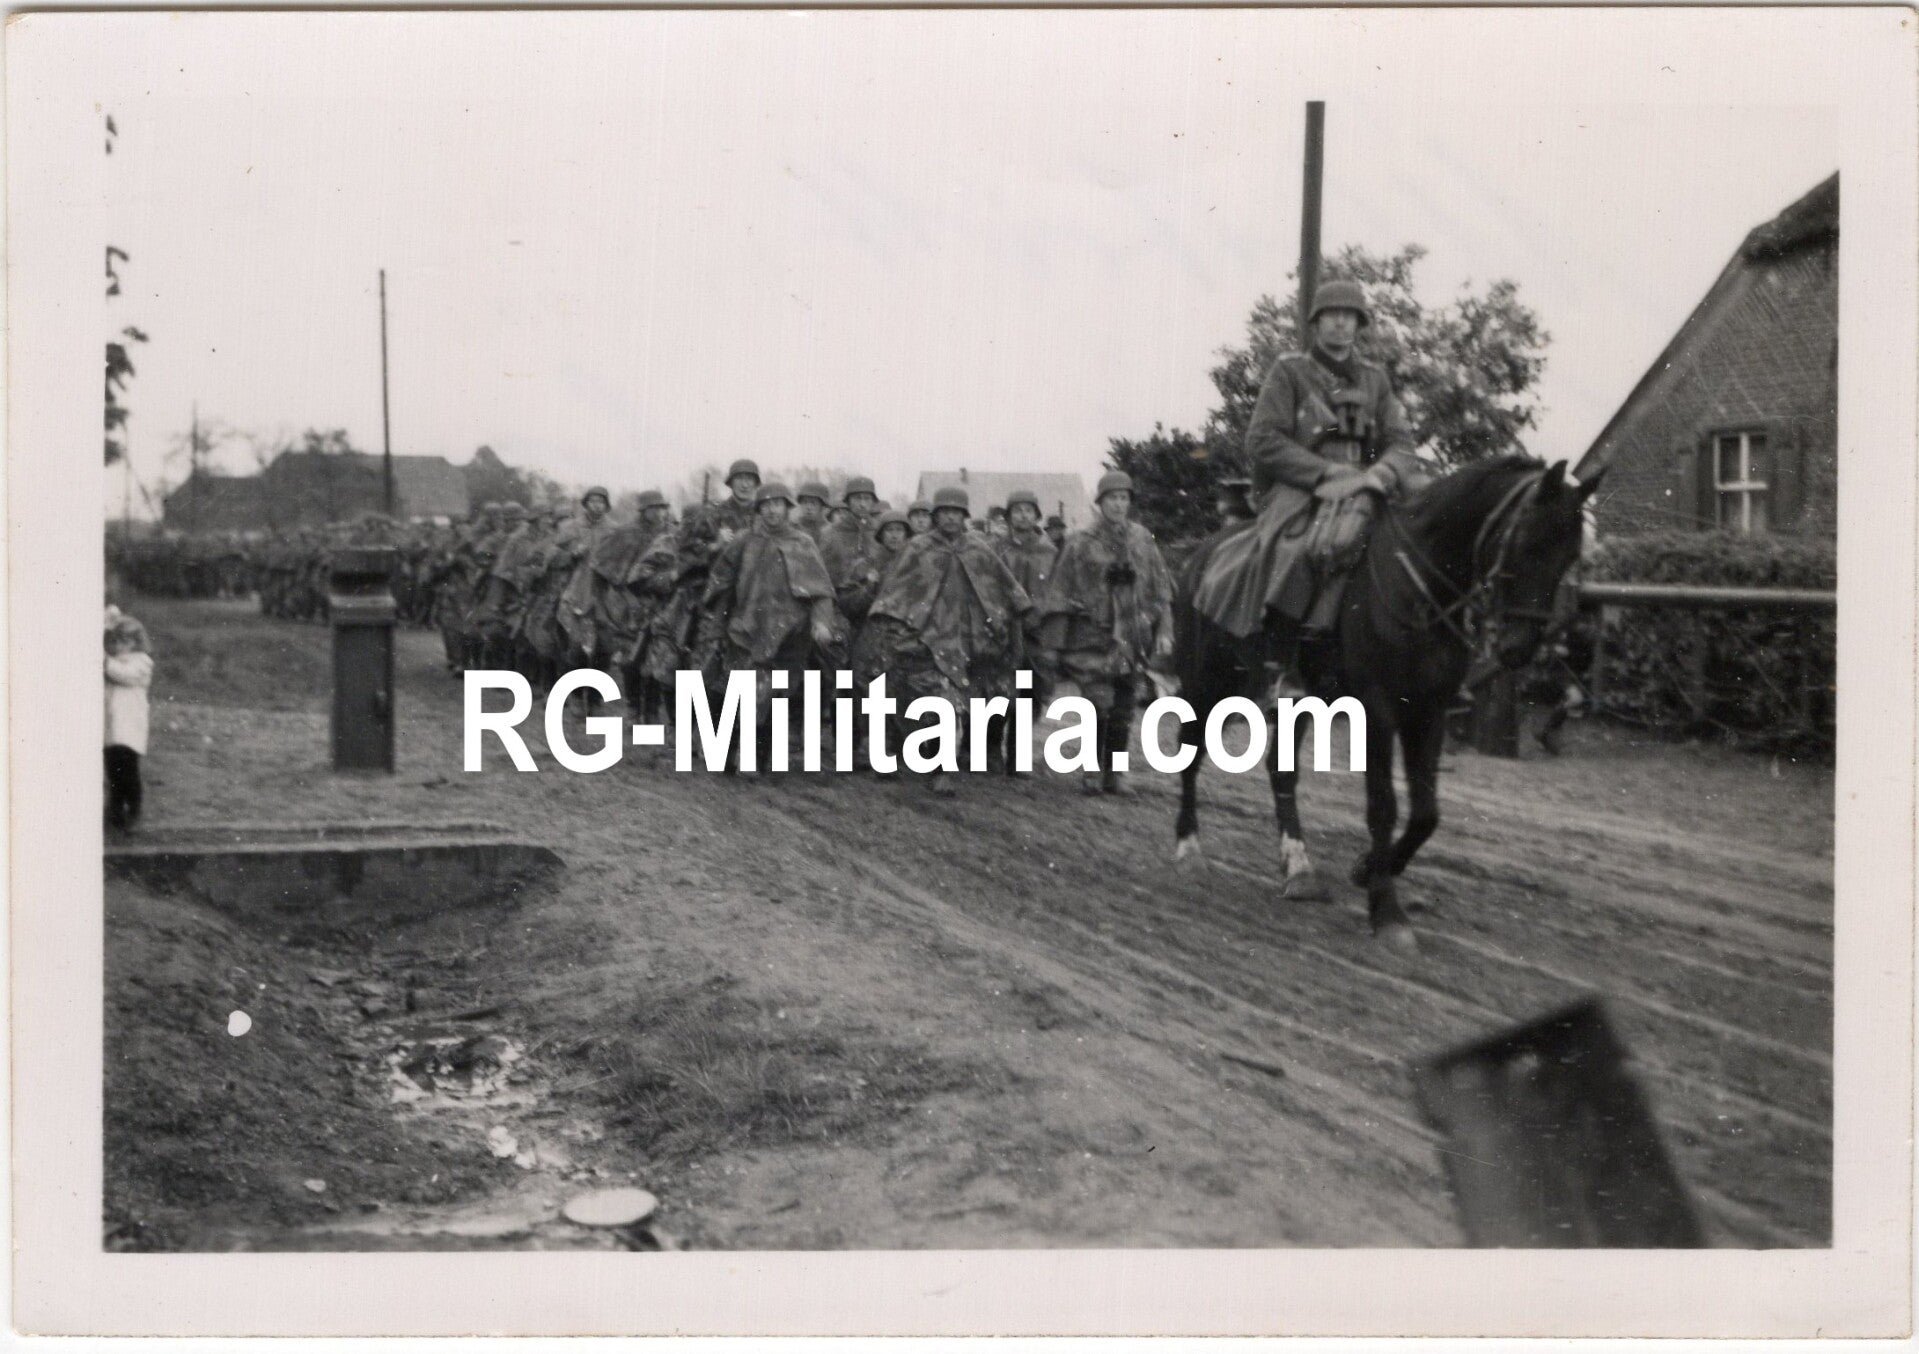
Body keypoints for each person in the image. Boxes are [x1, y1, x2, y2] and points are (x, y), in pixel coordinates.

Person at [1190, 279, 1427, 694]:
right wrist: (1326, 474)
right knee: (1298, 548)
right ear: (1316, 324)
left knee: (1416, 548)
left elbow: (1400, 442)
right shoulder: (1289, 371)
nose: (1340, 324)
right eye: (1331, 316)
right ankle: (1281, 660)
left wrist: (1382, 474)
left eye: (1348, 316)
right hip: (1301, 489)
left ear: (1359, 324)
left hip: (1368, 488)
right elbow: (1263, 440)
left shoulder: (1376, 381)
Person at [856, 486, 1031, 796]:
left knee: (953, 705)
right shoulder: (918, 549)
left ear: (964, 516)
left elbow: (1007, 586)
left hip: (969, 641)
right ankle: (935, 765)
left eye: (957, 512)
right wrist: (897, 628)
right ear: (936, 515)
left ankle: (941, 766)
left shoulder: (978, 549)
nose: (951, 517)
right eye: (945, 512)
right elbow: (895, 591)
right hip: (926, 639)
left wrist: (1016, 614)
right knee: (934, 703)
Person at [1036, 471, 1175, 796]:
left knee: (1124, 706)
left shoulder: (1142, 539)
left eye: (1124, 498)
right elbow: (1059, 592)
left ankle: (1115, 773)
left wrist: (1164, 627)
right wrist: (1055, 645)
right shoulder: (1080, 542)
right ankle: (1092, 769)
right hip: (1092, 638)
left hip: (1133, 639)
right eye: (1112, 498)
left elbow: (1162, 588)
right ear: (1100, 503)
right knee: (1098, 704)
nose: (1118, 504)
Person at [700, 482, 842, 772]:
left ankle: (758, 759)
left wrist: (821, 622)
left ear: (788, 508)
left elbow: (821, 592)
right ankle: (724, 755)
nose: (772, 510)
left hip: (790, 636)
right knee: (737, 693)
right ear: (759, 509)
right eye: (766, 505)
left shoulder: (803, 543)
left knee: (778, 696)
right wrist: (719, 621)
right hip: (746, 629)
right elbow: (721, 582)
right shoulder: (744, 541)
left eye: (778, 504)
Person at [988, 489, 1058, 773]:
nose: (1023, 515)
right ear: (1008, 516)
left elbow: (1056, 589)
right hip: (1003, 630)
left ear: (1037, 515)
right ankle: (990, 749)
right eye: (1017, 511)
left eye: (1029, 510)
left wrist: (1041, 615)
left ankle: (1018, 757)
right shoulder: (996, 549)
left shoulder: (1049, 551)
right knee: (998, 692)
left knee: (1032, 694)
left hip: (1036, 634)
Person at [104, 608, 154, 833]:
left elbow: (125, 675)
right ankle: (115, 811)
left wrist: (105, 662)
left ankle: (134, 809)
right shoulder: (112, 662)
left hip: (130, 725)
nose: (119, 645)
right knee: (113, 770)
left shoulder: (142, 662)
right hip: (113, 725)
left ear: (136, 641)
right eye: (115, 640)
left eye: (124, 640)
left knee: (128, 771)